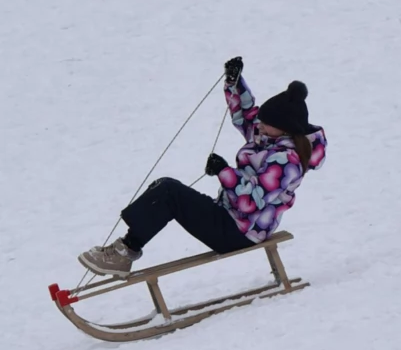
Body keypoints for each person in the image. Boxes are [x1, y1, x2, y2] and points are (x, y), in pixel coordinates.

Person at [77, 58, 328, 277]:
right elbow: (245, 114)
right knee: (164, 188)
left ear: (285, 127)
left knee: (169, 193)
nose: (259, 125)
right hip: (230, 218)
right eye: (262, 120)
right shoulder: (269, 138)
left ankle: (125, 252)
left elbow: (250, 201)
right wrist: (235, 81)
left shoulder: (287, 162)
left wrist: (224, 171)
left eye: (266, 123)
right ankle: (125, 249)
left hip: (240, 233)